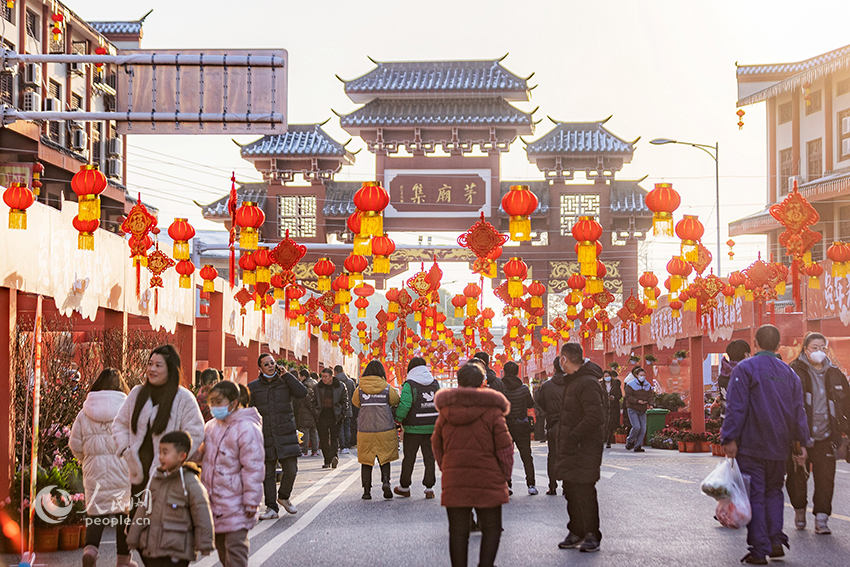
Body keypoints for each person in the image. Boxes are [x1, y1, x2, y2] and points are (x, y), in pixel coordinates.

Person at [721, 325, 811, 565]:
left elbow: (736, 407)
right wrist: (801, 442)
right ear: (778, 346)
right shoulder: (789, 373)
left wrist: (729, 438)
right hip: (779, 447)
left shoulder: (745, 368)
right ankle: (775, 541)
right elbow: (798, 411)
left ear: (755, 343)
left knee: (755, 497)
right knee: (774, 493)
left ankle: (759, 549)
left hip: (751, 445)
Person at [432, 361, 513, 567]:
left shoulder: (446, 412)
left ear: (458, 381)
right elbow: (505, 447)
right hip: (489, 477)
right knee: (492, 528)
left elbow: (436, 443)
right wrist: (504, 475)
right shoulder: (493, 411)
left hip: (455, 478)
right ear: (482, 382)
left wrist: (446, 467)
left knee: (458, 532)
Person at [113, 345, 205, 520]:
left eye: (158, 365)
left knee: (158, 527)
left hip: (166, 475)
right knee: (129, 525)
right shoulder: (136, 394)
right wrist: (126, 450)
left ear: (170, 369)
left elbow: (196, 431)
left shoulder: (183, 398)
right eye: (150, 364)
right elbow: (120, 424)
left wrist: (174, 458)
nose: (152, 369)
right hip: (135, 472)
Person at [70, 369, 136, 567]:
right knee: (124, 514)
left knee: (96, 513)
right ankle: (123, 561)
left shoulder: (84, 413)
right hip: (123, 471)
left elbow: (75, 444)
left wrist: (85, 459)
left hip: (94, 472)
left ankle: (91, 550)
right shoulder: (128, 410)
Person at [786, 332, 850, 535]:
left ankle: (822, 519)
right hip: (800, 438)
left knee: (825, 479)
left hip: (826, 437)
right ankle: (799, 510)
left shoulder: (835, 374)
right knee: (797, 479)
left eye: (822, 347)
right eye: (815, 347)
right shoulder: (794, 371)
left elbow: (846, 404)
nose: (819, 351)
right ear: (805, 349)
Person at [196, 381, 264, 567]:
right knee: (223, 551)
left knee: (235, 551)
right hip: (214, 502)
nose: (214, 407)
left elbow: (253, 468)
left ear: (233, 403)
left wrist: (252, 500)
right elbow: (199, 454)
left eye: (219, 401)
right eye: (211, 402)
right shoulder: (211, 427)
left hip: (237, 502)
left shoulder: (247, 428)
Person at [127, 431, 215, 566]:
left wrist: (205, 543)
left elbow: (201, 511)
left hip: (177, 549)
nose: (161, 457)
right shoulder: (155, 479)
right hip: (153, 547)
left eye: (165, 452)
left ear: (182, 456)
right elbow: (143, 508)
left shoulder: (189, 481)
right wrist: (133, 537)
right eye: (160, 452)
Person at [555, 342, 605, 553]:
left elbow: (595, 416)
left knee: (584, 491)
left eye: (560, 358)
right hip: (572, 447)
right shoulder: (573, 381)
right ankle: (576, 530)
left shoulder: (587, 382)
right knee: (571, 490)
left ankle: (592, 533)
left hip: (584, 448)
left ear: (564, 359)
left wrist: (574, 435)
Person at [248, 353, 308, 519]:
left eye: (272, 363)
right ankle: (271, 508)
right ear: (260, 368)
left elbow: (302, 392)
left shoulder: (285, 382)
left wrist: (287, 375)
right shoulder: (253, 387)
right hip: (264, 434)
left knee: (291, 469)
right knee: (268, 474)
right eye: (266, 364)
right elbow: (247, 411)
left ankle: (283, 496)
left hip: (285, 432)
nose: (270, 366)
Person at [352, 360, 400, 499]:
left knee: (366, 460)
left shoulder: (360, 389)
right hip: (385, 428)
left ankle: (367, 491)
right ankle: (386, 481)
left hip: (365, 430)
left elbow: (355, 402)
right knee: (385, 458)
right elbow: (395, 400)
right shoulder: (387, 388)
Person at [394, 357, 440, 499]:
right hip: (432, 427)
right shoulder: (435, 384)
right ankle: (429, 488)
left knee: (409, 458)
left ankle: (405, 486)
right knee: (430, 458)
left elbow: (405, 404)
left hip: (413, 429)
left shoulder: (410, 384)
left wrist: (398, 420)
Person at [501, 361, 537, 495]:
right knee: (526, 456)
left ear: (504, 372)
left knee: (505, 456)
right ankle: (531, 484)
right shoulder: (523, 388)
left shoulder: (501, 388)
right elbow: (530, 404)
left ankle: (507, 485)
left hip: (505, 426)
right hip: (522, 425)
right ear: (517, 372)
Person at [535, 357, 567, 496]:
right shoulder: (573, 384)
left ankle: (552, 486)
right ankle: (567, 486)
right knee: (568, 456)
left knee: (553, 456)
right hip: (570, 425)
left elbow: (541, 402)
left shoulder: (547, 386)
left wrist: (550, 412)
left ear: (554, 369)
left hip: (553, 423)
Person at [315, 367, 349, 469]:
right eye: (322, 377)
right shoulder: (318, 387)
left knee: (334, 437)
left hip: (335, 415)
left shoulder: (340, 386)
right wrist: (315, 411)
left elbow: (345, 401)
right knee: (324, 439)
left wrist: (342, 413)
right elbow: (313, 400)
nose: (324, 379)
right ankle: (327, 460)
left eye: (326, 377)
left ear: (331, 377)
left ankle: (334, 457)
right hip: (322, 415)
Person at [718, 340, 751, 422]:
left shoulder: (723, 374)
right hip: (741, 422)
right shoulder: (744, 374)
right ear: (745, 355)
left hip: (725, 419)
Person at [623, 366, 653, 453]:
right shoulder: (630, 385)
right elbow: (628, 397)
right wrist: (637, 401)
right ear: (636, 375)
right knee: (636, 427)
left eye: (644, 375)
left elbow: (650, 397)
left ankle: (638, 446)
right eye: (641, 375)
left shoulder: (648, 386)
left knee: (643, 429)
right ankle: (630, 441)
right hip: (633, 408)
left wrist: (651, 404)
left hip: (642, 410)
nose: (642, 377)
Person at [295, 369, 320, 457]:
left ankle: (304, 450)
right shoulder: (316, 384)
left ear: (304, 376)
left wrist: (310, 408)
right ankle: (315, 451)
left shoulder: (304, 386)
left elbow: (305, 399)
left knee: (305, 431)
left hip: (305, 412)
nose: (299, 378)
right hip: (315, 412)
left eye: (300, 376)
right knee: (314, 432)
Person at [335, 365, 356, 454]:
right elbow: (355, 396)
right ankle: (347, 445)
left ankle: (342, 446)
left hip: (338, 408)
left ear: (335, 372)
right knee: (347, 427)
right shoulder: (351, 382)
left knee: (340, 427)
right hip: (349, 408)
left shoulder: (335, 381)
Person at [600, 370, 622, 449]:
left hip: (613, 407)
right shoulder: (600, 385)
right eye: (605, 376)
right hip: (604, 407)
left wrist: (614, 397)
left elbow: (619, 395)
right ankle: (604, 439)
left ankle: (609, 440)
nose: (607, 378)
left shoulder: (615, 385)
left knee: (611, 425)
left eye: (607, 376)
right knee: (604, 423)